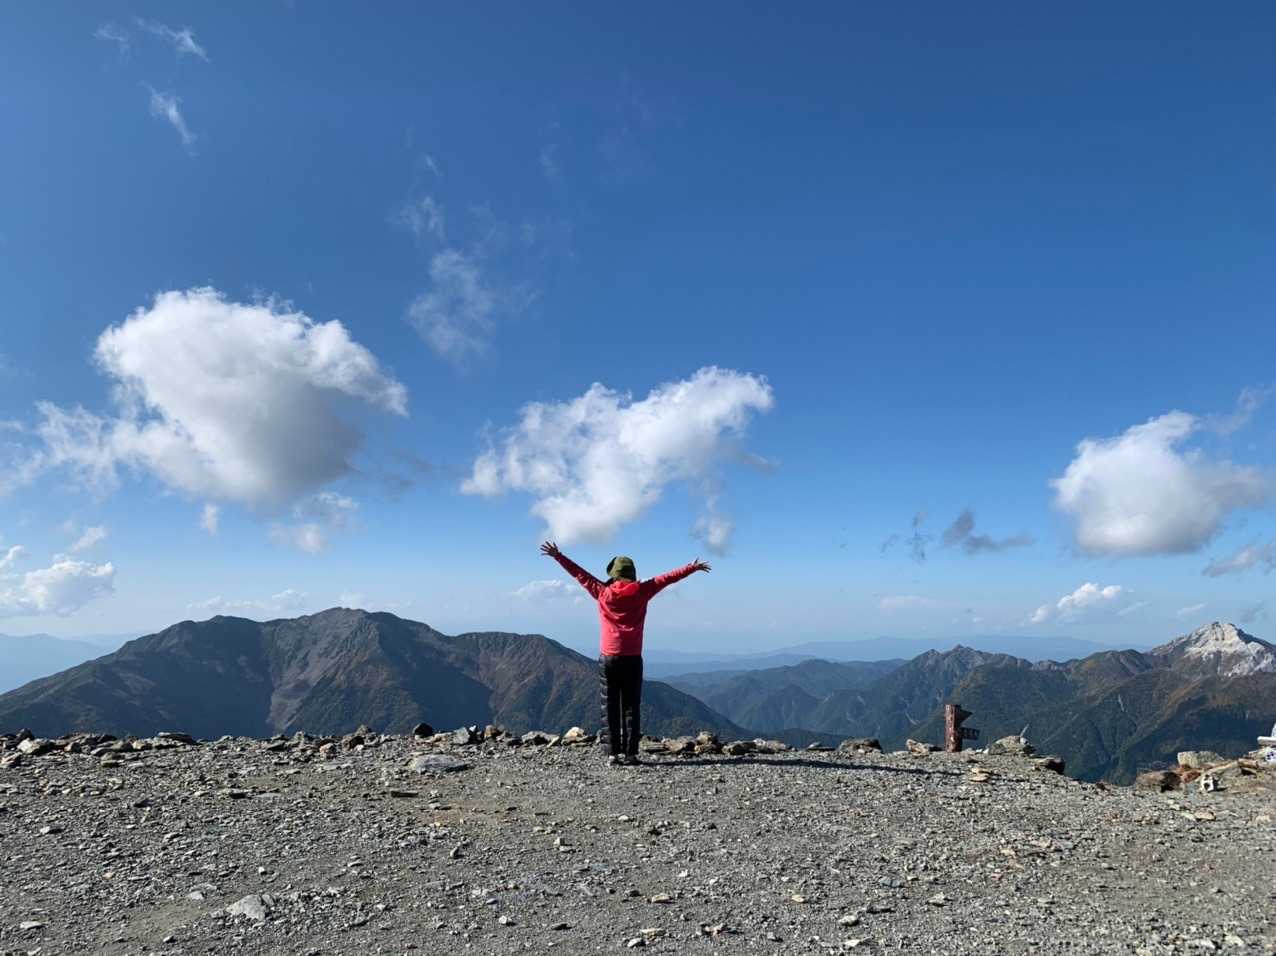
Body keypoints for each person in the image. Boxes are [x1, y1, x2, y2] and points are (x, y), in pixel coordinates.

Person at [540, 541, 711, 766]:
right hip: (632, 658)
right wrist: (691, 568)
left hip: (609, 658)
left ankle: (612, 755)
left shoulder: (602, 592)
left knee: (609, 706)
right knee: (631, 707)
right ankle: (631, 755)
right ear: (632, 574)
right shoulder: (643, 591)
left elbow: (580, 575)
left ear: (613, 574)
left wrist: (558, 556)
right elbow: (667, 578)